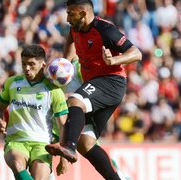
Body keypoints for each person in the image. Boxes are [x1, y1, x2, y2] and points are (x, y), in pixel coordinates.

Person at [45, 0, 142, 180]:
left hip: (111, 82)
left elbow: (136, 53)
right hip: (96, 84)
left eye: (71, 14)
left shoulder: (105, 29)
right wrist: (66, 61)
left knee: (75, 102)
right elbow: (71, 39)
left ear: (83, 13)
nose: (67, 19)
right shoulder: (76, 28)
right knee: (86, 143)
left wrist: (114, 61)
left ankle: (69, 147)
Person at [0, 44, 69, 180]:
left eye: (31, 64)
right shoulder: (12, 83)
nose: (27, 68)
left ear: (43, 64)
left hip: (43, 144)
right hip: (16, 141)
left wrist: (64, 157)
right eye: (23, 64)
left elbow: (63, 125)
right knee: (17, 164)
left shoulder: (54, 91)